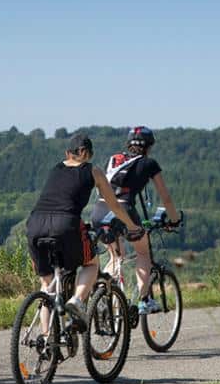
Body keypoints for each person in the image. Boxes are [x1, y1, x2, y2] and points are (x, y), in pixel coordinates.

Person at [26, 133, 143, 330]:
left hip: (35, 225)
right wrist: (132, 226)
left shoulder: (56, 169)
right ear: (88, 154)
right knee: (91, 264)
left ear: (67, 153)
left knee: (48, 286)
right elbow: (114, 205)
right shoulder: (93, 171)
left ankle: (46, 338)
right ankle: (78, 300)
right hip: (66, 224)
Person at [90, 126, 181, 315]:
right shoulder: (149, 163)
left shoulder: (114, 159)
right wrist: (174, 219)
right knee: (143, 252)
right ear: (149, 146)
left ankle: (106, 297)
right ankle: (144, 300)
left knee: (116, 257)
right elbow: (166, 198)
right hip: (124, 210)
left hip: (99, 211)